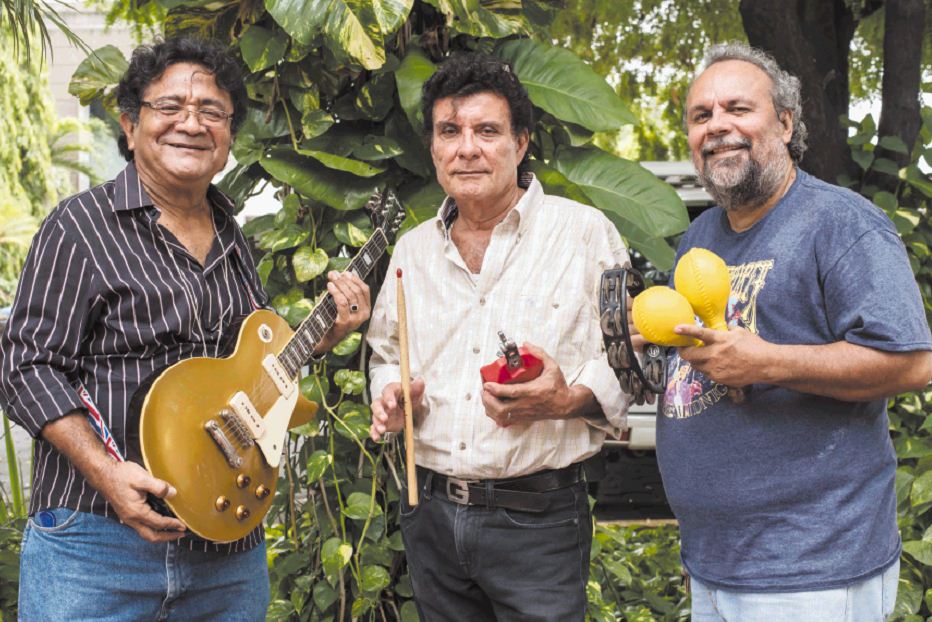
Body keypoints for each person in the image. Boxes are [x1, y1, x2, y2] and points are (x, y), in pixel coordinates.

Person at [0, 36, 370, 621]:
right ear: (129, 125)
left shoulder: (235, 238)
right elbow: (26, 364)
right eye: (169, 107)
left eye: (211, 112)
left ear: (228, 136)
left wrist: (319, 340)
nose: (190, 124)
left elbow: (247, 375)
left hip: (226, 551)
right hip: (96, 544)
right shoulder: (80, 227)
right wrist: (106, 474)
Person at [633, 42, 932, 621]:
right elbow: (713, 364)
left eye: (738, 109)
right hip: (714, 562)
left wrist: (767, 363)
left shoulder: (840, 223)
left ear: (786, 122)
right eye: (701, 116)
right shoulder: (700, 239)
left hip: (811, 566)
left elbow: (914, 362)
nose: (717, 125)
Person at [366, 53, 629, 621]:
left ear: (521, 142)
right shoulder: (412, 250)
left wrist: (568, 400)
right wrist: (390, 393)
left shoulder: (585, 233)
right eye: (449, 132)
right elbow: (386, 353)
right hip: (430, 512)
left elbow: (629, 360)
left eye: (487, 131)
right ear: (433, 147)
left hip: (538, 520)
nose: (467, 148)